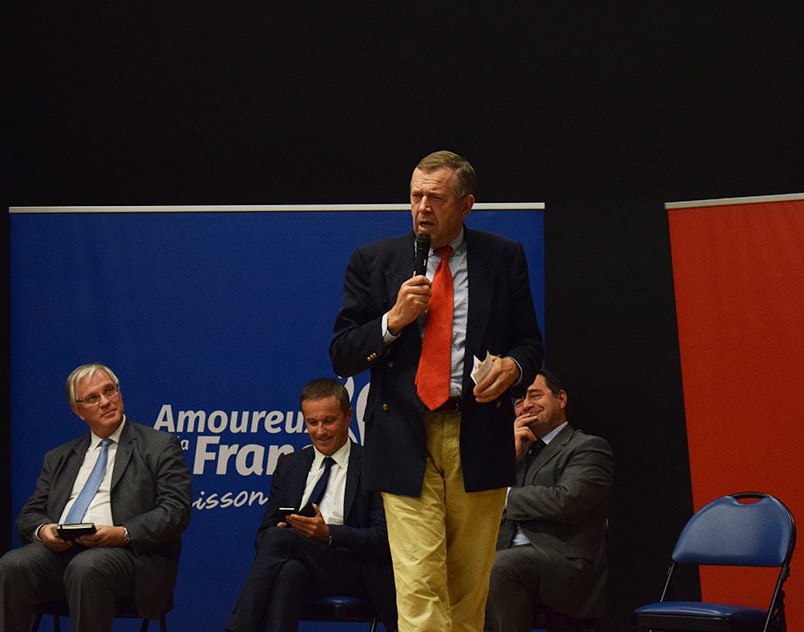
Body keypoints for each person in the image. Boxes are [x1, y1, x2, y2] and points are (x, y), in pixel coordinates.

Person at [329, 150, 544, 631]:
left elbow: (531, 344)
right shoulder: (374, 261)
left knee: (468, 588)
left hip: (479, 433)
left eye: (436, 198)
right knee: (419, 582)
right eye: (415, 196)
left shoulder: (502, 257)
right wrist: (392, 321)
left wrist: (513, 366)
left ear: (466, 205)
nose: (423, 208)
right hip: (403, 436)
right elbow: (342, 352)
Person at [0, 362, 192, 632]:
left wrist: (121, 533)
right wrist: (45, 530)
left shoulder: (159, 446)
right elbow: (29, 515)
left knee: (87, 567)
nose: (106, 402)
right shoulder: (60, 457)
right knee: (10, 566)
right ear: (78, 411)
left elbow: (176, 510)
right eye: (93, 398)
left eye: (110, 391)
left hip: (129, 555)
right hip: (62, 554)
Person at [226, 378, 397, 632]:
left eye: (329, 421)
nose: (320, 431)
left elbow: (383, 540)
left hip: (356, 571)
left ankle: (239, 628)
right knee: (288, 571)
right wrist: (292, 531)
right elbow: (263, 537)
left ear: (349, 416)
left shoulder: (373, 464)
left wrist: (328, 534)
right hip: (305, 566)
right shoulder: (290, 465)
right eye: (312, 422)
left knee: (280, 540)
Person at [486, 370, 613, 632]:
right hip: (507, 557)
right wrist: (506, 457)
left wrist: (505, 496)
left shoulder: (587, 448)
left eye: (534, 395)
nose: (526, 405)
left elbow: (566, 502)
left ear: (561, 399)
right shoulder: (514, 451)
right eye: (519, 400)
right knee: (455, 566)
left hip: (566, 565)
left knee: (501, 566)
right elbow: (480, 505)